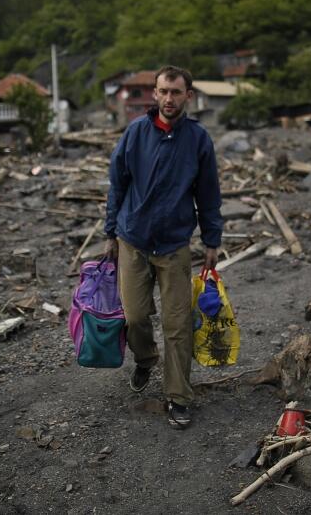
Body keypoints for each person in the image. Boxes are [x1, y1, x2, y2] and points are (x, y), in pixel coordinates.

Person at [103, 65, 223, 429]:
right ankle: (145, 358)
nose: (169, 98)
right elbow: (117, 184)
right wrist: (110, 232)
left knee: (177, 324)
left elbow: (208, 193)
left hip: (173, 245)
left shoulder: (198, 139)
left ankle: (178, 397)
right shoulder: (136, 133)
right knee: (134, 317)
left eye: (176, 92)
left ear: (188, 96)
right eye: (163, 91)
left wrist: (212, 239)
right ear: (155, 94)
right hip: (133, 240)